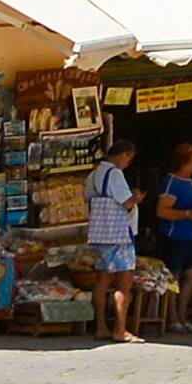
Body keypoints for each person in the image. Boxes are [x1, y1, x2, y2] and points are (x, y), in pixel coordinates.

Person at [80, 133, 141, 341]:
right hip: (119, 235)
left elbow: (87, 197)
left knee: (102, 280)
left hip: (100, 233)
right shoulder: (115, 174)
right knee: (124, 283)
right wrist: (137, 198)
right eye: (129, 159)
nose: (128, 164)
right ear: (124, 155)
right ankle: (120, 329)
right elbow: (126, 203)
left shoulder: (94, 174)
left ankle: (100, 327)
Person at [151, 141, 192, 330]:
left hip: (190, 234)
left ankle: (183, 315)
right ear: (183, 162)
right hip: (174, 235)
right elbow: (162, 211)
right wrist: (187, 214)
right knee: (173, 276)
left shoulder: (190, 181)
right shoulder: (171, 183)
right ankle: (172, 316)